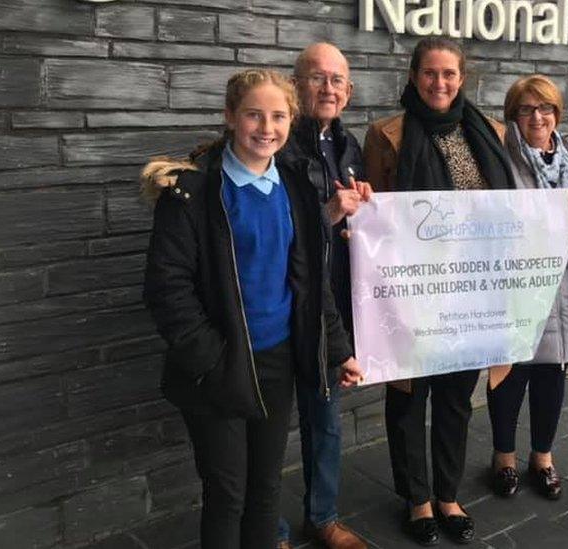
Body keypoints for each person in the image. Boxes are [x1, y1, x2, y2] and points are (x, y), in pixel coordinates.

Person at [141, 69, 363, 549]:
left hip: (277, 361)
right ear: (229, 117)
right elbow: (167, 288)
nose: (267, 127)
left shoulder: (293, 185)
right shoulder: (193, 192)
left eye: (279, 116)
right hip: (220, 365)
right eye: (254, 115)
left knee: (266, 489)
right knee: (228, 493)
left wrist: (337, 348)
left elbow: (309, 279)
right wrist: (211, 359)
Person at [363, 36, 515, 547]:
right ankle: (417, 498)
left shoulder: (490, 132)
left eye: (449, 74)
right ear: (413, 77)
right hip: (410, 293)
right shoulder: (387, 137)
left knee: (454, 398)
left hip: (470, 294)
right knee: (409, 399)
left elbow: (513, 215)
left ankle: (448, 494)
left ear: (462, 78)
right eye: (430, 73)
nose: (439, 83)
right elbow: (373, 221)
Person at [275, 42, 370, 549]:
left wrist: (365, 218)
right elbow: (280, 228)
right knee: (267, 432)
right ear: (296, 85)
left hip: (325, 310)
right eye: (317, 77)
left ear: (349, 92)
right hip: (277, 306)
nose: (328, 88)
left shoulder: (349, 148)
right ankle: (270, 530)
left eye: (336, 80)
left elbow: (343, 228)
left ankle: (323, 517)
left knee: (325, 422)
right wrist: (330, 216)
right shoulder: (276, 142)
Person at [487, 74, 568, 501]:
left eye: (545, 108)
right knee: (510, 371)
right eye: (527, 109)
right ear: (513, 115)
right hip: (515, 281)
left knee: (552, 370)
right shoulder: (500, 154)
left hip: (562, 280)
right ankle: (503, 457)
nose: (537, 116)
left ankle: (543, 457)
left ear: (557, 113)